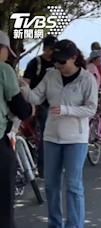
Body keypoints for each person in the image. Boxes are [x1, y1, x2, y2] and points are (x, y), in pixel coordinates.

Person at [20, 39, 98, 228]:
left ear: (74, 58)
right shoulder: (51, 75)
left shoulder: (87, 79)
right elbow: (36, 97)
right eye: (55, 61)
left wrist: (67, 110)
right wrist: (22, 86)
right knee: (51, 185)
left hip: (75, 139)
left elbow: (91, 109)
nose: (58, 65)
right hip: (51, 137)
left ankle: (75, 224)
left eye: (62, 61)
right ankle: (55, 224)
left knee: (73, 185)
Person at [0, 29, 35, 228]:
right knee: (4, 201)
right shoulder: (3, 70)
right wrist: (31, 108)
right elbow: (20, 109)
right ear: (2, 49)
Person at [23, 35, 58, 179]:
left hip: (54, 104)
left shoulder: (58, 63)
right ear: (45, 48)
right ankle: (42, 168)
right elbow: (26, 82)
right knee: (44, 136)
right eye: (51, 49)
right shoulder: (35, 63)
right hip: (40, 105)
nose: (53, 52)